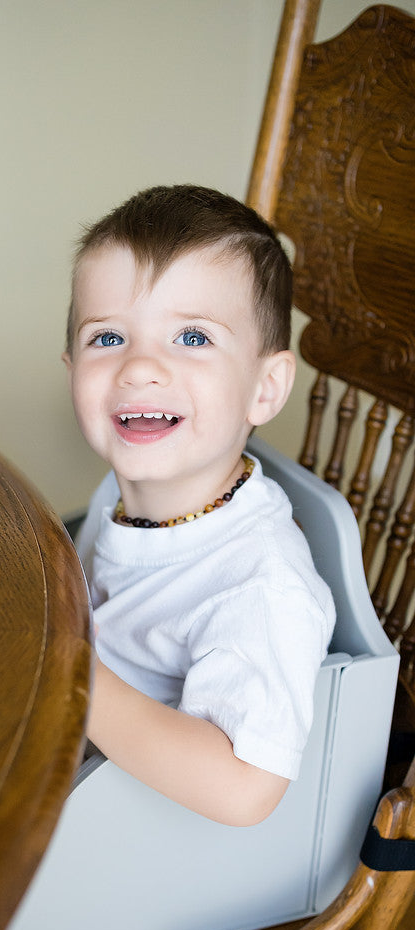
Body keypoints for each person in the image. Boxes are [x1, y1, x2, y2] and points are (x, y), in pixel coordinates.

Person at [65, 184, 335, 827]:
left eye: (191, 336)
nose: (140, 367)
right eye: (107, 339)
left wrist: (67, 673)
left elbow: (244, 790)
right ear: (69, 364)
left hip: (123, 832)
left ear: (265, 389)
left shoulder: (260, 587)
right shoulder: (121, 492)